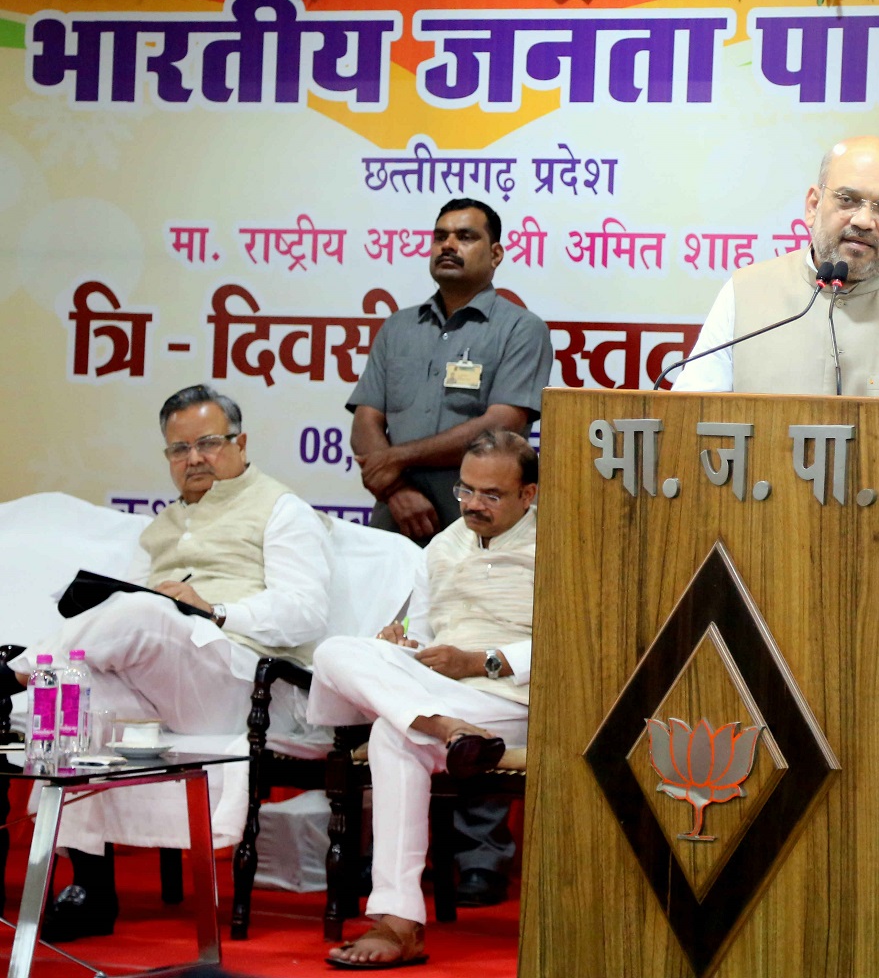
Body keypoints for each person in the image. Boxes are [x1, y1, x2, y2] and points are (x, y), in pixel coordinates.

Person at [11, 384, 333, 942]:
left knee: (138, 613)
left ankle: (12, 670)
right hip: (170, 684)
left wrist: (218, 610)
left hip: (240, 679)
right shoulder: (159, 527)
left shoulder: (281, 510)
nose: (194, 459)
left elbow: (306, 612)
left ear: (241, 442)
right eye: (179, 449)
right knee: (78, 691)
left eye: (208, 443)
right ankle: (90, 886)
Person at [307, 430, 537, 968]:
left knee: (391, 731)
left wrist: (481, 662)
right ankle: (443, 727)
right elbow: (425, 632)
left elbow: (574, 643)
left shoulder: (559, 548)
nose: (474, 505)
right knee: (338, 650)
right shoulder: (442, 545)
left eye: (492, 495)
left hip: (512, 699)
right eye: (466, 490)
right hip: (446, 698)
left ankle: (398, 922)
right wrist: (403, 644)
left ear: (528, 495)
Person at [671, 135, 879, 410]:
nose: (863, 220)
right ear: (813, 206)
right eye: (848, 199)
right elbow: (687, 420)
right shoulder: (745, 294)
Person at [346, 197, 554, 544]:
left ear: (496, 254)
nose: (448, 245)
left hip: (481, 519)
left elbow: (503, 423)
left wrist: (395, 458)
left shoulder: (521, 328)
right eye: (440, 236)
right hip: (398, 517)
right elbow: (366, 420)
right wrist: (396, 491)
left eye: (466, 236)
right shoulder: (398, 327)